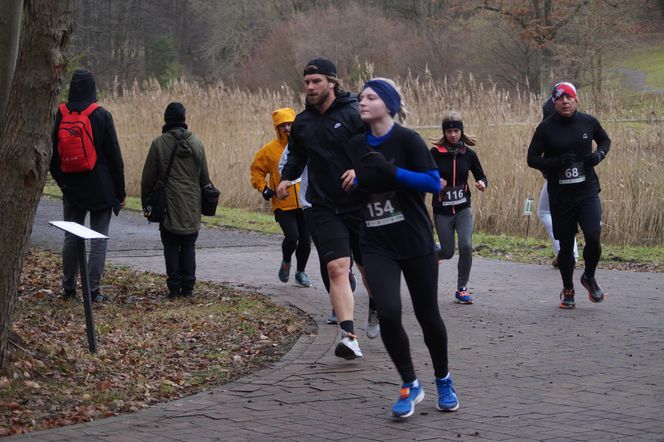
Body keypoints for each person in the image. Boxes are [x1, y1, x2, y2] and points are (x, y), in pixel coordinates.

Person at [346, 77, 459, 418]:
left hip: (414, 240)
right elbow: (353, 187)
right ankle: (410, 384)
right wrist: (353, 184)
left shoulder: (407, 140)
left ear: (389, 105)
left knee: (428, 317)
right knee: (390, 312)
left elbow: (432, 183)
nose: (362, 102)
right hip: (376, 241)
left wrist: (391, 171)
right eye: (360, 98)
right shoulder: (353, 145)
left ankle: (443, 378)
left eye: (370, 97)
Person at [278, 58, 378, 359]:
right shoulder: (303, 123)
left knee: (367, 269)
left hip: (358, 204)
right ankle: (348, 336)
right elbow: (296, 157)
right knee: (336, 267)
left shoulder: (353, 113)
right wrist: (286, 179)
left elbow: (377, 149)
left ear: (331, 83)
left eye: (316, 81)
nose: (309, 87)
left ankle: (376, 305)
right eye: (306, 82)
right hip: (322, 205)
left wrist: (360, 171)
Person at [527, 82, 611, 309]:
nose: (565, 101)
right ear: (554, 102)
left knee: (593, 235)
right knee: (565, 247)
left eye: (569, 97)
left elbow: (605, 140)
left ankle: (589, 277)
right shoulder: (545, 128)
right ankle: (568, 288)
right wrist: (555, 163)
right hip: (561, 194)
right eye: (560, 98)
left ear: (576, 100)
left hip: (587, 190)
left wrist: (599, 155)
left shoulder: (589, 122)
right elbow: (532, 158)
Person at [50, 69, 126, 302]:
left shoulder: (61, 114)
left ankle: (69, 288)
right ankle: (93, 291)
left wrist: (63, 182)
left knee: (71, 237)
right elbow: (115, 158)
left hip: (72, 187)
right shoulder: (101, 115)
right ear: (93, 89)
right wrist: (120, 192)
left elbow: (52, 155)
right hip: (101, 188)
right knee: (98, 239)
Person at [278, 144, 358, 324]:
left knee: (346, 252)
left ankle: (348, 269)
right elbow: (284, 165)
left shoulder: (347, 122)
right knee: (326, 256)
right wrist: (289, 179)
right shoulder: (304, 130)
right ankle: (337, 305)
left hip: (347, 200)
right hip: (313, 204)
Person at [141, 102, 211, 299]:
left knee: (170, 244)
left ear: (166, 119)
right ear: (183, 119)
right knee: (189, 244)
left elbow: (148, 178)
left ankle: (174, 288)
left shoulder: (159, 144)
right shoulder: (197, 142)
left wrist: (146, 202)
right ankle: (188, 287)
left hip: (168, 204)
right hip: (192, 203)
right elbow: (204, 178)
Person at [430, 112, 487, 305]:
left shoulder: (469, 154)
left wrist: (481, 183)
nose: (453, 135)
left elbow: (482, 176)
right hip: (442, 210)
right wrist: (434, 181)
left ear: (461, 132)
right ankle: (429, 254)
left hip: (463, 208)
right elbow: (424, 175)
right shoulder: (435, 154)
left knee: (466, 246)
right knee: (447, 252)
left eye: (456, 131)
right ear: (444, 133)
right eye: (449, 131)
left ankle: (462, 289)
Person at [251, 108, 312, 287]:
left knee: (305, 240)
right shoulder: (269, 150)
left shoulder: (305, 145)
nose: (287, 128)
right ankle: (286, 261)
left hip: (304, 201)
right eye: (282, 125)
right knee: (292, 237)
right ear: (276, 128)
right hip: (282, 202)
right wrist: (263, 188)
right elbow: (256, 170)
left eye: (290, 124)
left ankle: (301, 272)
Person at [538, 84, 578, 267]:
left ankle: (567, 253)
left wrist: (546, 169)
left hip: (559, 175)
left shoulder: (549, 117)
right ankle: (567, 253)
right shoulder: (579, 120)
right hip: (578, 173)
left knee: (545, 211)